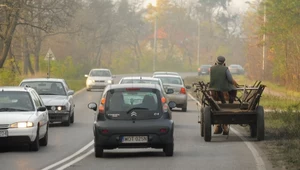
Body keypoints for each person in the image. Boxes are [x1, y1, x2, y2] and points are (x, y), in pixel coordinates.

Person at [209, 56, 238, 135]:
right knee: (234, 89)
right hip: (223, 87)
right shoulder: (225, 69)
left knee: (212, 93)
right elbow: (229, 79)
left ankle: (218, 126)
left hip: (213, 87)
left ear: (216, 62)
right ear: (224, 62)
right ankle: (231, 102)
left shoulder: (212, 68)